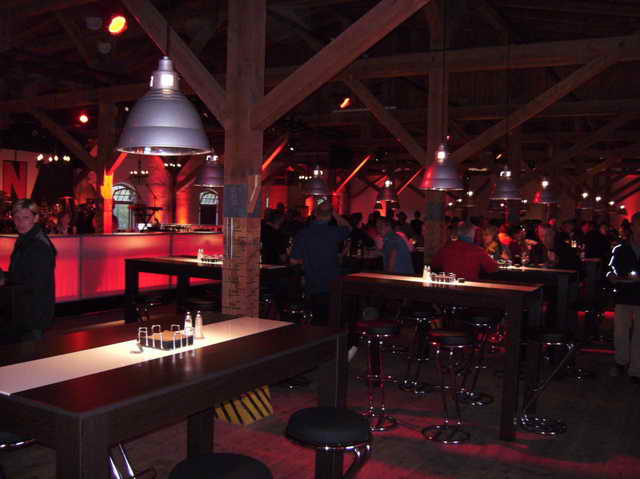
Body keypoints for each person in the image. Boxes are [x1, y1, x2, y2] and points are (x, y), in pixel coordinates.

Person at [290, 201, 351, 326]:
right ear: (330, 216)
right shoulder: (334, 232)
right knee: (333, 319)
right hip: (333, 282)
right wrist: (334, 213)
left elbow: (293, 261)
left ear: (315, 214)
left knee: (318, 320)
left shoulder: (303, 233)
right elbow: (348, 227)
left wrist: (308, 260)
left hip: (312, 282)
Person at [4, 199, 56, 341]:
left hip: (32, 313)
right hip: (26, 310)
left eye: (25, 217)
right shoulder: (26, 239)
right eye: (17, 218)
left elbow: (36, 284)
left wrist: (7, 280)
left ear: (36, 218)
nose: (20, 222)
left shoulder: (38, 244)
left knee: (30, 352)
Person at [607, 211, 640, 383]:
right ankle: (621, 362)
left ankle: (636, 369)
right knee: (621, 331)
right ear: (633, 227)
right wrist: (614, 277)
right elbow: (609, 270)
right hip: (624, 294)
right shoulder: (620, 249)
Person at [431, 222, 498, 281]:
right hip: (470, 287)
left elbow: (434, 265)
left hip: (448, 287)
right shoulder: (478, 251)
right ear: (473, 234)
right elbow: (493, 268)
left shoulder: (445, 248)